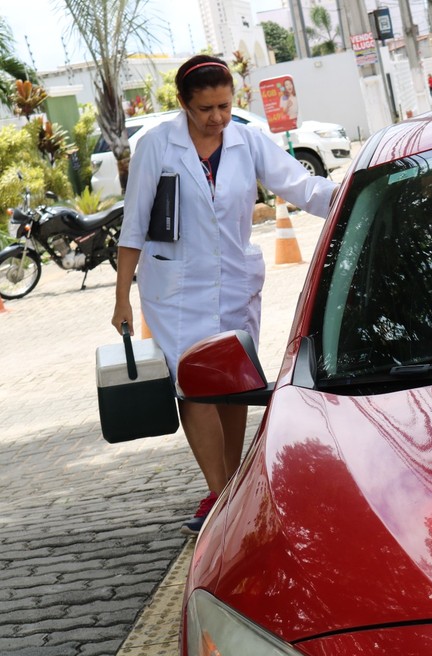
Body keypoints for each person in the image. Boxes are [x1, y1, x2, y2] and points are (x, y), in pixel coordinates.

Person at [111, 55, 335, 535]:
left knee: (233, 386)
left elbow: (303, 188)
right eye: (206, 108)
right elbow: (133, 225)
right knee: (193, 383)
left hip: (234, 281)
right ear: (183, 104)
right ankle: (220, 497)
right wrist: (121, 299)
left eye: (225, 106)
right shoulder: (155, 146)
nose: (217, 117)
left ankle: (230, 487)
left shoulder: (248, 140)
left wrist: (357, 196)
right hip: (174, 289)